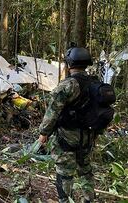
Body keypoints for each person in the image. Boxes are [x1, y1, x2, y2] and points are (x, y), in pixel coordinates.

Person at [38, 47, 97, 203]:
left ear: (70, 63)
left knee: (65, 173)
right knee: (85, 171)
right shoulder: (95, 83)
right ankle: (88, 199)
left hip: (67, 137)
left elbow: (52, 112)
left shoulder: (67, 85)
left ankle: (65, 201)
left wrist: (44, 133)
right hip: (88, 136)